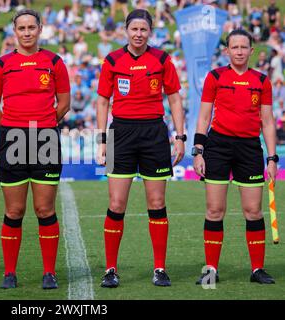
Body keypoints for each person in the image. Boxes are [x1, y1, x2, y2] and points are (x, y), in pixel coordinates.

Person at [96, 9, 185, 288]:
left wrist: (180, 137)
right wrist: (101, 140)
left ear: (150, 31)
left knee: (157, 204)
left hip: (154, 134)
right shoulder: (112, 60)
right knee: (116, 204)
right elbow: (102, 102)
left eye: (143, 30)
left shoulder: (162, 59)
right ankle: (111, 269)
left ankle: (160, 268)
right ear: (126, 30)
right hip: (120, 133)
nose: (138, 34)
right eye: (134, 29)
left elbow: (174, 98)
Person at [0, 9, 70, 290]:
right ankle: (9, 273)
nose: (26, 32)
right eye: (21, 28)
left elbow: (64, 104)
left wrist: (43, 126)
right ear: (14, 31)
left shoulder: (54, 62)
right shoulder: (1, 65)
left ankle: (49, 273)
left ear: (40, 29)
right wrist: (13, 128)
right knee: (15, 210)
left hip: (46, 138)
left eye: (31, 27)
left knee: (44, 209)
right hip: (12, 140)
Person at [193, 29, 277, 285]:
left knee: (253, 211)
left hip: (250, 149)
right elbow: (204, 117)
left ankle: (257, 269)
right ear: (227, 51)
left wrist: (272, 158)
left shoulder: (262, 81)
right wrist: (198, 151)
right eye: (235, 47)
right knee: (214, 210)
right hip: (218, 147)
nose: (239, 51)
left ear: (252, 51)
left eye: (244, 47)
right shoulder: (215, 77)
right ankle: (210, 270)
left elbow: (268, 122)